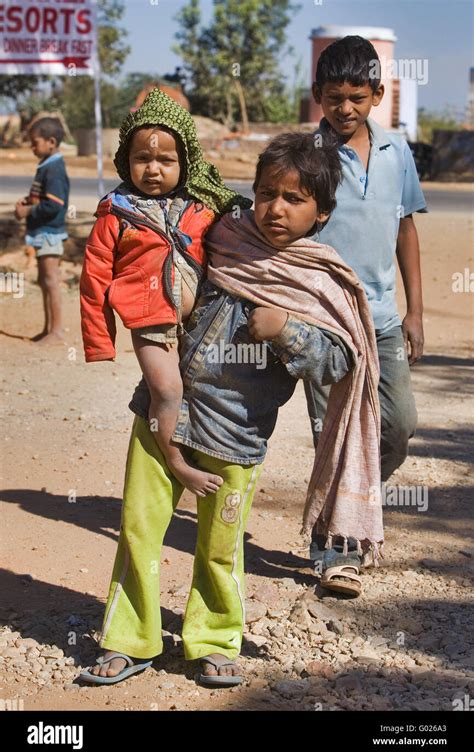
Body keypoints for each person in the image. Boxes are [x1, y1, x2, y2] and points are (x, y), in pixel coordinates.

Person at [79, 132, 381, 688]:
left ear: (322, 213)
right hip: (162, 414)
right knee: (138, 529)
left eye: (294, 199)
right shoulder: (226, 233)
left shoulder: (318, 277)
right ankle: (129, 638)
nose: (276, 209)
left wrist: (288, 330)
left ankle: (215, 639)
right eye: (267, 193)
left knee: (220, 545)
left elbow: (339, 360)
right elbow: (164, 199)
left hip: (237, 433)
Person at [80, 88, 250, 496]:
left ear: (185, 161)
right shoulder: (116, 213)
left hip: (200, 322)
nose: (153, 169)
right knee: (168, 390)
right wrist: (99, 341)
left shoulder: (203, 207)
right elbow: (94, 280)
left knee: (200, 390)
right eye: (143, 159)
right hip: (150, 323)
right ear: (126, 159)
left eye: (165, 160)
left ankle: (197, 448)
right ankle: (177, 464)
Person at [304, 35, 427, 596]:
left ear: (377, 95)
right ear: (317, 96)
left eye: (356, 96)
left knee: (398, 428)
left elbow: (405, 229)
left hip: (381, 318)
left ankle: (357, 503)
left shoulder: (397, 151)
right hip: (326, 319)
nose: (345, 108)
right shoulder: (307, 157)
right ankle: (333, 549)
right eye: (334, 97)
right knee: (331, 433)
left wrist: (416, 312)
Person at [14, 117, 70, 344]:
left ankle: (56, 332)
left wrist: (28, 212)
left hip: (50, 232)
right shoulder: (47, 165)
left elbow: (54, 205)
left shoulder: (54, 169)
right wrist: (27, 203)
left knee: (51, 280)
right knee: (43, 279)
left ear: (51, 142)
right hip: (43, 232)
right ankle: (48, 329)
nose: (31, 147)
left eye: (34, 142)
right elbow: (43, 198)